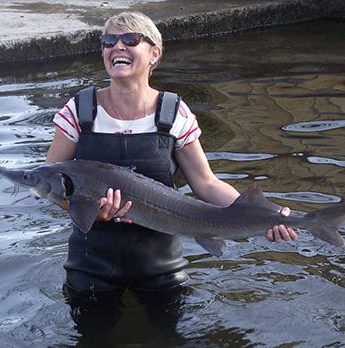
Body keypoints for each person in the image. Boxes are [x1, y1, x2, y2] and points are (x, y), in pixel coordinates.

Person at [46, 11, 297, 336]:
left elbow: (206, 183)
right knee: (91, 338)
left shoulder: (174, 112)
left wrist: (265, 215)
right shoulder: (78, 112)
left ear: (155, 53)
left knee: (172, 338)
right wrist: (94, 212)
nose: (116, 46)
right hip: (91, 262)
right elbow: (52, 185)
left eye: (130, 39)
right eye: (109, 41)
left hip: (160, 263)